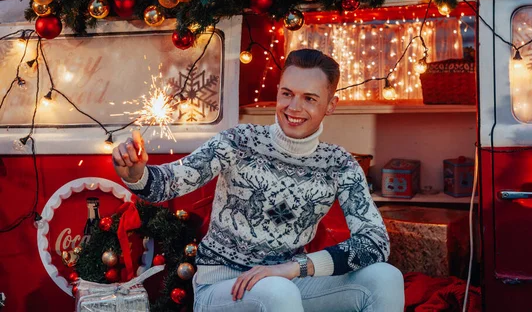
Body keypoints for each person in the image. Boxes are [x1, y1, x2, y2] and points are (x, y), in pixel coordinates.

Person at [113, 49, 405, 311]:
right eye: (287, 93)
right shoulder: (240, 141)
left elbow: (375, 242)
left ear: (331, 104)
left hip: (289, 280)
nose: (293, 107)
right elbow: (168, 182)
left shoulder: (339, 164)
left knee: (386, 278)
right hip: (222, 286)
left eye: (310, 98)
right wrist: (136, 173)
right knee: (277, 292)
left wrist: (295, 268)